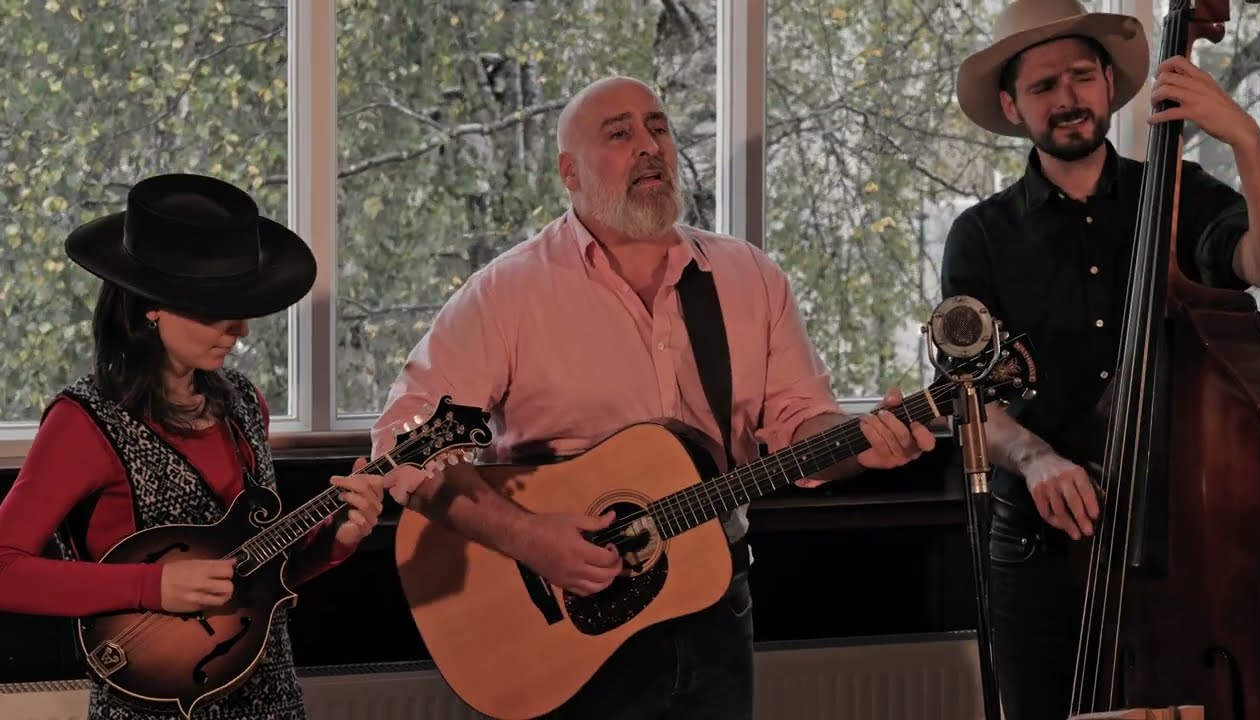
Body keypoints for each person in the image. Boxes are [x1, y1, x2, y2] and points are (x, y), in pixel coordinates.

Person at [371, 75, 937, 719]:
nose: (649, 146)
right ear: (569, 172)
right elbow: (400, 444)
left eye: (658, 128)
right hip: (560, 635)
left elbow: (798, 424)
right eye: (620, 134)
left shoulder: (749, 278)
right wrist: (528, 537)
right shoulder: (507, 293)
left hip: (715, 610)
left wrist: (861, 446)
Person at [943, 1, 1260, 717]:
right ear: (1012, 105)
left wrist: (1247, 140)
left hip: (1186, 550)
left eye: (1081, 76)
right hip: (1038, 551)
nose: (1067, 98)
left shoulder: (1186, 199)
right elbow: (968, 402)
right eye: (1043, 86)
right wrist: (1035, 457)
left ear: (1107, 83)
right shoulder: (981, 236)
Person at [0, 173, 386, 720]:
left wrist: (334, 541)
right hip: (151, 707)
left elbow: (255, 579)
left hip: (272, 700)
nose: (241, 330)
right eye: (215, 309)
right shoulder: (83, 423)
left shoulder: (245, 405)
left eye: (244, 306)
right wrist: (152, 585)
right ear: (150, 307)